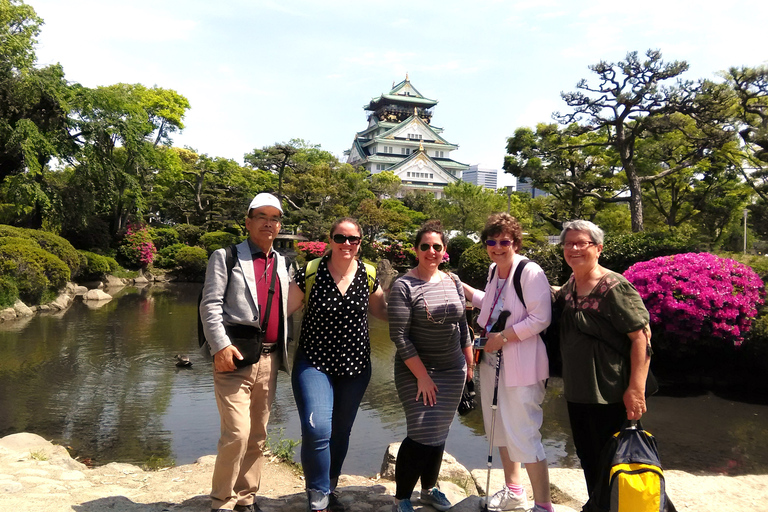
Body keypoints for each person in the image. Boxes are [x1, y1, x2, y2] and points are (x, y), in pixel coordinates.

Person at [286, 218, 388, 512]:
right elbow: (280, 311)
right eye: (340, 238)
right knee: (317, 427)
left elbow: (387, 312)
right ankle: (317, 494)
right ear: (329, 239)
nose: (346, 244)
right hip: (314, 362)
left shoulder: (368, 274)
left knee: (341, 431)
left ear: (360, 243)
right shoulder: (311, 272)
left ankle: (330, 485)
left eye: (353, 239)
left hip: (355, 367)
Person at [199, 192, 292, 512]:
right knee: (237, 432)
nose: (269, 223)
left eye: (275, 218)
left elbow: (287, 307)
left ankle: (246, 498)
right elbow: (209, 305)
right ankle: (221, 500)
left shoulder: (282, 262)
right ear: (248, 221)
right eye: (262, 216)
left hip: (269, 358)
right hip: (234, 356)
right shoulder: (225, 256)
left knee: (258, 434)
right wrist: (220, 346)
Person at [555, 220, 653, 505]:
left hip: (610, 392)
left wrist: (636, 389)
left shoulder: (614, 287)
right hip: (579, 391)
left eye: (581, 243)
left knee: (617, 463)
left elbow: (642, 337)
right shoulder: (571, 285)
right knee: (589, 458)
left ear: (597, 248)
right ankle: (597, 505)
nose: (574, 248)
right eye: (568, 243)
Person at [462, 213, 555, 512]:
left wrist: (502, 338)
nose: (498, 247)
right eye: (492, 241)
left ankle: (543, 505)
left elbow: (541, 318)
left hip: (522, 367)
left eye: (504, 241)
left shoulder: (529, 272)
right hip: (491, 362)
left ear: (515, 242)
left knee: (524, 433)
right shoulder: (493, 271)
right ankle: (514, 491)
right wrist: (463, 288)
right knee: (499, 429)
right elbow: (490, 304)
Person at [388, 220, 473, 512]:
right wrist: (423, 377)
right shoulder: (404, 285)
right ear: (416, 250)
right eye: (425, 246)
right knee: (422, 431)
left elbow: (462, 324)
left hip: (453, 369)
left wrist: (470, 364)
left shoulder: (453, 281)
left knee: (440, 431)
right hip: (416, 370)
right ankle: (402, 498)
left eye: (437, 246)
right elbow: (398, 336)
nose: (431, 251)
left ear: (444, 251)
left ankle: (429, 488)